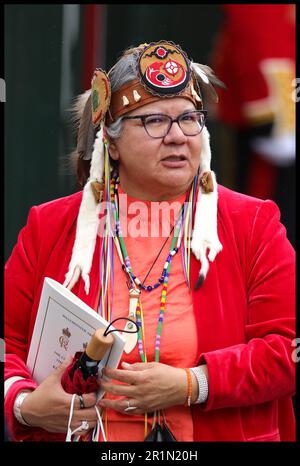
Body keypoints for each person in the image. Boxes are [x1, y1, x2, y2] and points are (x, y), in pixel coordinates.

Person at [4, 40, 295, 442]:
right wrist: (24, 404)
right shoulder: (50, 227)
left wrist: (194, 384)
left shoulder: (252, 224)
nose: (177, 136)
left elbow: (286, 350)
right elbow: (8, 346)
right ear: (113, 142)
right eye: (155, 121)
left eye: (190, 118)